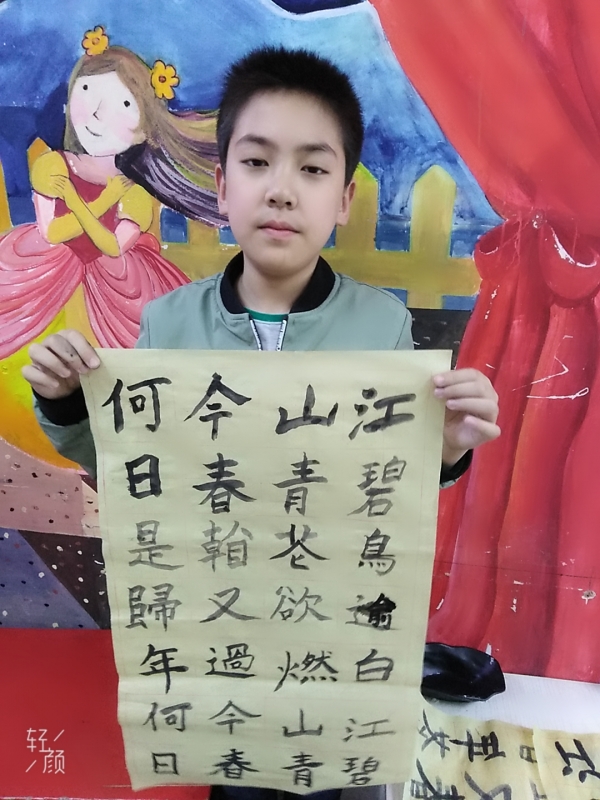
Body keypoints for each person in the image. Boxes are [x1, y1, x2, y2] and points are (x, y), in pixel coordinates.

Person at [23, 46, 500, 799]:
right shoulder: (169, 323)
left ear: (344, 199)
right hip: (222, 625)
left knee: (342, 777)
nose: (281, 189)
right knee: (241, 774)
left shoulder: (381, 325)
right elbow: (123, 460)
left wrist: (444, 449)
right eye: (256, 162)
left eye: (312, 168)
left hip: (336, 629)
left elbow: (392, 482)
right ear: (222, 185)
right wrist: (64, 403)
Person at [0, 25, 224, 359]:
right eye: (86, 88)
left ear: (145, 129)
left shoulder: (135, 190)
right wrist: (102, 200)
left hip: (118, 275)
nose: (96, 111)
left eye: (124, 102)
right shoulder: (52, 165)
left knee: (156, 339)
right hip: (47, 261)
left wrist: (76, 200)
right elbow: (53, 232)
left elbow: (112, 247)